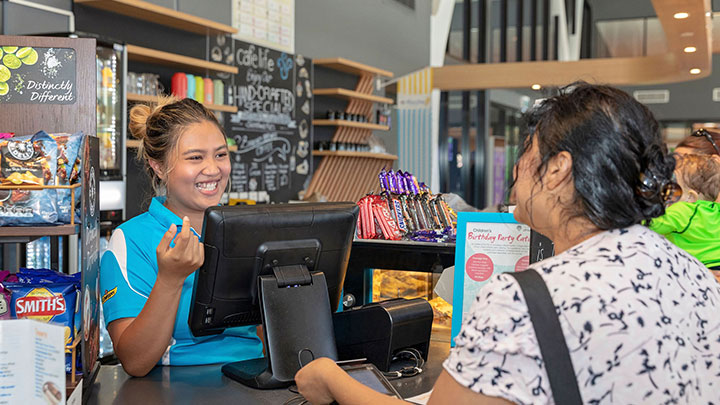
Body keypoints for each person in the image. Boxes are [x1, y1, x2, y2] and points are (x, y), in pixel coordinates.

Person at [294, 83, 720, 404]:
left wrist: (332, 379)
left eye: (528, 150)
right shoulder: (694, 274)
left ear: (557, 170)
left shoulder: (526, 300)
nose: (517, 168)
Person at [100, 97, 262, 377]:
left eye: (221, 155)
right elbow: (135, 361)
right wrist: (170, 279)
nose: (213, 169)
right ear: (159, 167)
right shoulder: (129, 240)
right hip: (174, 387)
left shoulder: (246, 230)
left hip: (256, 377)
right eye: (195, 157)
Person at [649, 154, 720, 272]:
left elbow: (653, 225)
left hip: (699, 268)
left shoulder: (684, 210)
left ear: (691, 197)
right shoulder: (716, 210)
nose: (668, 191)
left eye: (675, 187)